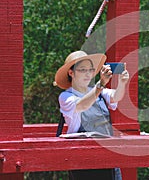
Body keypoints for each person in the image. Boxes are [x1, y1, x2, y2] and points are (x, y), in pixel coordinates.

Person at [54, 50, 128, 180]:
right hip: (82, 158)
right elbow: (82, 105)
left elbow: (116, 97)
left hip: (107, 156)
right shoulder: (65, 96)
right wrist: (100, 85)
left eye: (90, 70)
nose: (88, 74)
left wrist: (122, 82)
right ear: (71, 73)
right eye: (83, 70)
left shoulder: (101, 91)